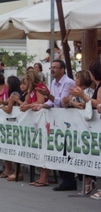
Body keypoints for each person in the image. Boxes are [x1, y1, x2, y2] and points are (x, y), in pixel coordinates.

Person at [32, 59, 76, 191]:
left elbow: (61, 102)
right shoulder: (53, 82)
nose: (52, 69)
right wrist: (42, 105)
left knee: (65, 149)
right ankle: (65, 179)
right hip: (56, 121)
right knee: (57, 149)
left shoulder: (68, 83)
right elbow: (51, 103)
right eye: (51, 67)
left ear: (62, 70)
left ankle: (69, 180)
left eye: (55, 67)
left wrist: (49, 96)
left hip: (67, 120)